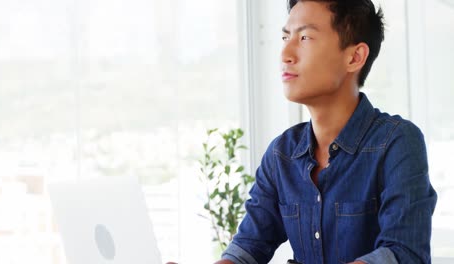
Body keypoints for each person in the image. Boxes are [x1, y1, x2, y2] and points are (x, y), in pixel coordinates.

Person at [169, 0, 437, 263]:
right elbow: (248, 249)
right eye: (286, 37)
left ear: (354, 57)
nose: (286, 54)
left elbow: (403, 253)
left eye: (305, 37)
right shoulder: (281, 153)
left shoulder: (397, 142)